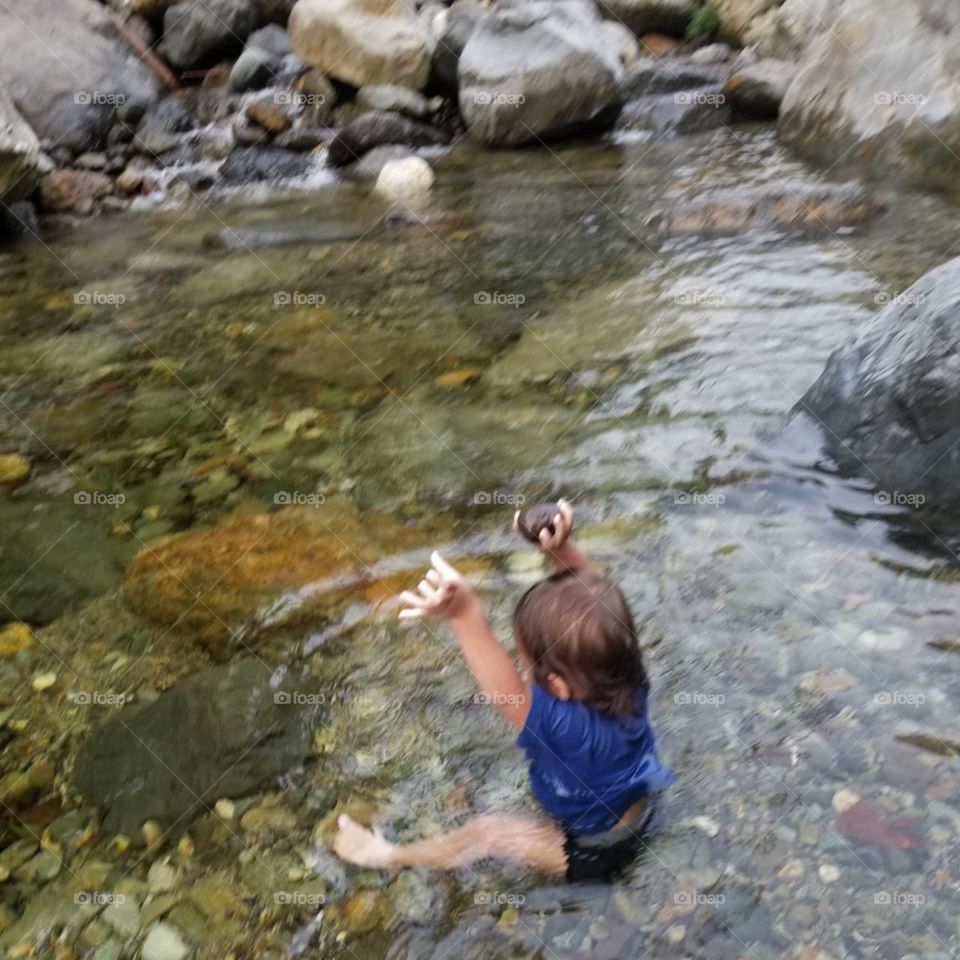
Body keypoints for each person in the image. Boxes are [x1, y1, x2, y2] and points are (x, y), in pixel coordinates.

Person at [334, 500, 675, 882]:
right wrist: (559, 550)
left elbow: (503, 691)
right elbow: (597, 607)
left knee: (490, 833)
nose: (519, 667)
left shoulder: (566, 727)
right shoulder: (628, 674)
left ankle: (386, 855)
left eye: (524, 662)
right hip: (636, 807)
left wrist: (464, 611)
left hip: (599, 851)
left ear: (558, 686)